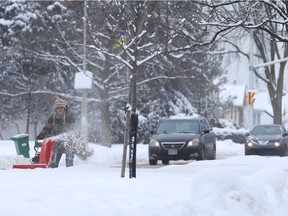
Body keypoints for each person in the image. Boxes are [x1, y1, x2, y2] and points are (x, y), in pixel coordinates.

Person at [36, 98, 76, 168]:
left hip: (69, 142)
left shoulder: (70, 115)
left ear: (64, 108)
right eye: (58, 108)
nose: (60, 109)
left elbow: (71, 129)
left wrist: (65, 135)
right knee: (53, 165)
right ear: (55, 109)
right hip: (57, 144)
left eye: (61, 107)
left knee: (69, 166)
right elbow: (48, 128)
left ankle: (70, 175)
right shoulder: (52, 117)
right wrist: (41, 136)